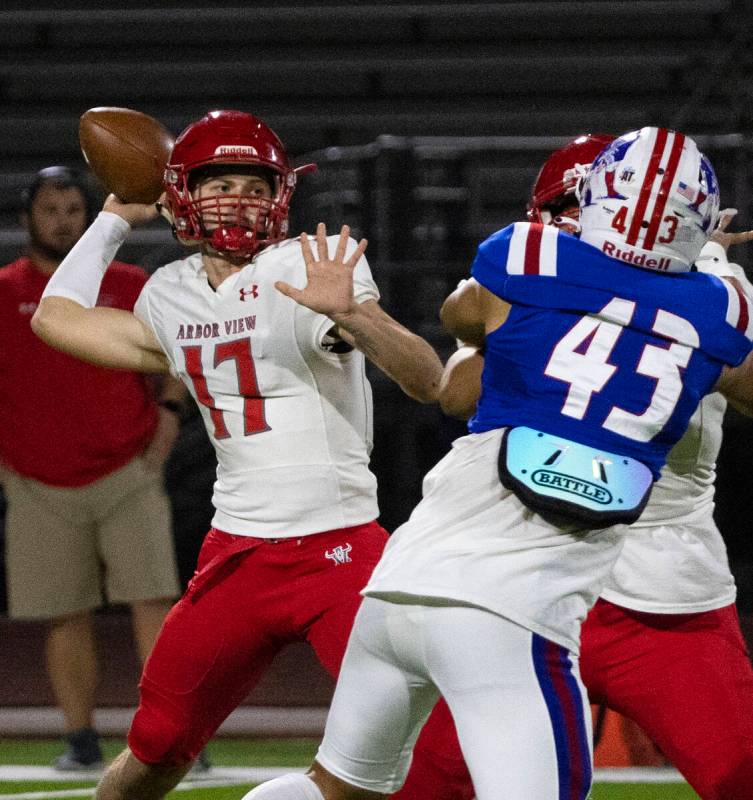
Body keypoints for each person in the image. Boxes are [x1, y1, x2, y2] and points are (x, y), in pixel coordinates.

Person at [239, 126, 753, 800]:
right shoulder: (716, 302)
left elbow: (465, 331)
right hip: (517, 602)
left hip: (456, 579)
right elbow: (454, 390)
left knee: (340, 788)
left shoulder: (523, 261)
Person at [30, 109, 468, 800]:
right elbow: (55, 319)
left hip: (340, 553)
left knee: (438, 749)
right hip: (237, 555)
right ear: (180, 194)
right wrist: (113, 218)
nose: (238, 198)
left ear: (281, 196)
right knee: (159, 747)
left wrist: (354, 314)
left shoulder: (303, 267)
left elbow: (426, 378)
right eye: (218, 182)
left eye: (255, 184)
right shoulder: (168, 293)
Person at [440, 134, 753, 800]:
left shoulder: (711, 294)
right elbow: (455, 393)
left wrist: (694, 297)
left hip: (657, 587)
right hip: (522, 564)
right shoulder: (524, 283)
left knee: (739, 772)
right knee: (430, 776)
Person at [0, 166, 183, 771]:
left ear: (90, 215)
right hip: (35, 481)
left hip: (127, 472)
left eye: (74, 210)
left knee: (155, 600)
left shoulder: (130, 282)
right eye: (50, 209)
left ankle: (168, 736)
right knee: (63, 612)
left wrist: (170, 417)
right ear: (28, 218)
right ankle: (80, 738)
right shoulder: (2, 291)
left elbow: (180, 360)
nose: (62, 221)